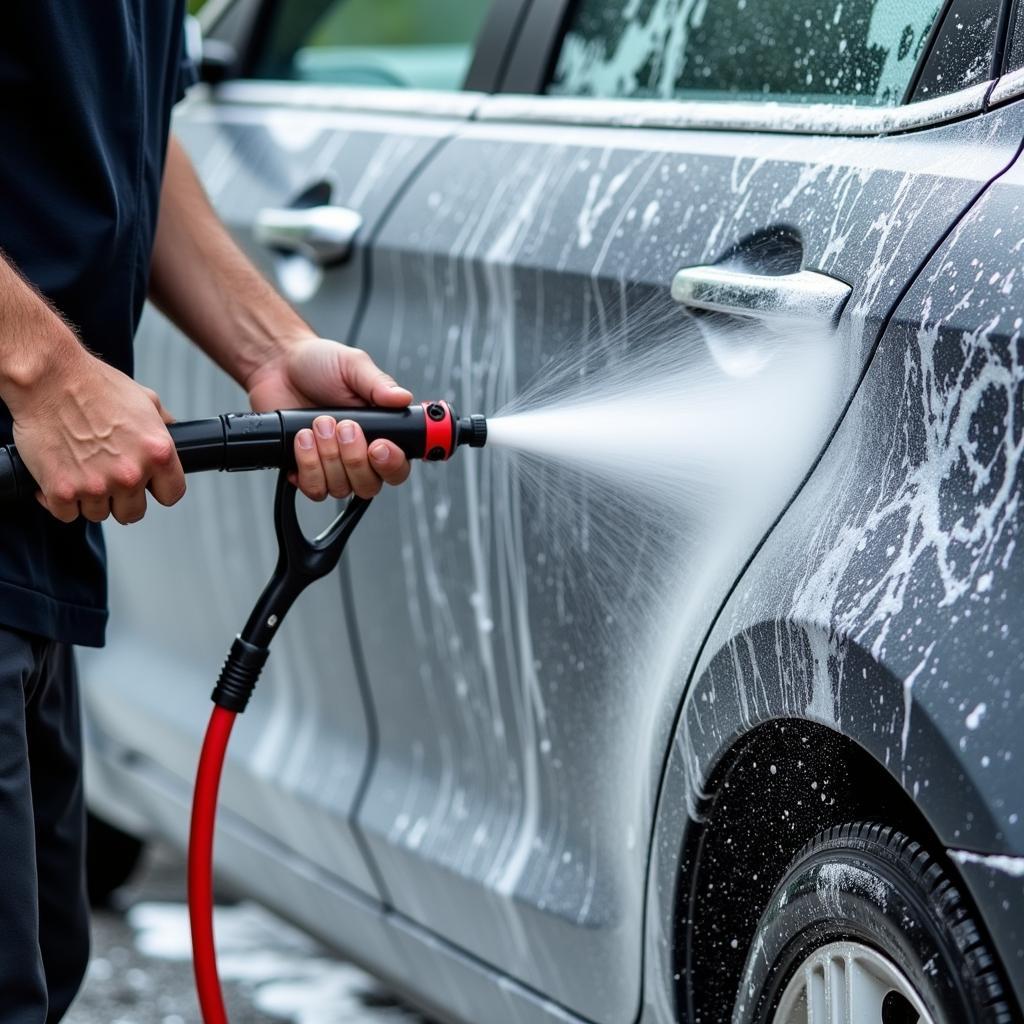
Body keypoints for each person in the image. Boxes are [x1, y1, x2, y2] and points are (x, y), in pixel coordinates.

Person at [0, 5, 413, 1019]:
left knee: (41, 968)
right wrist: (45, 370)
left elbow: (116, 119)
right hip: (23, 445)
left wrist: (267, 346)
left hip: (32, 533)